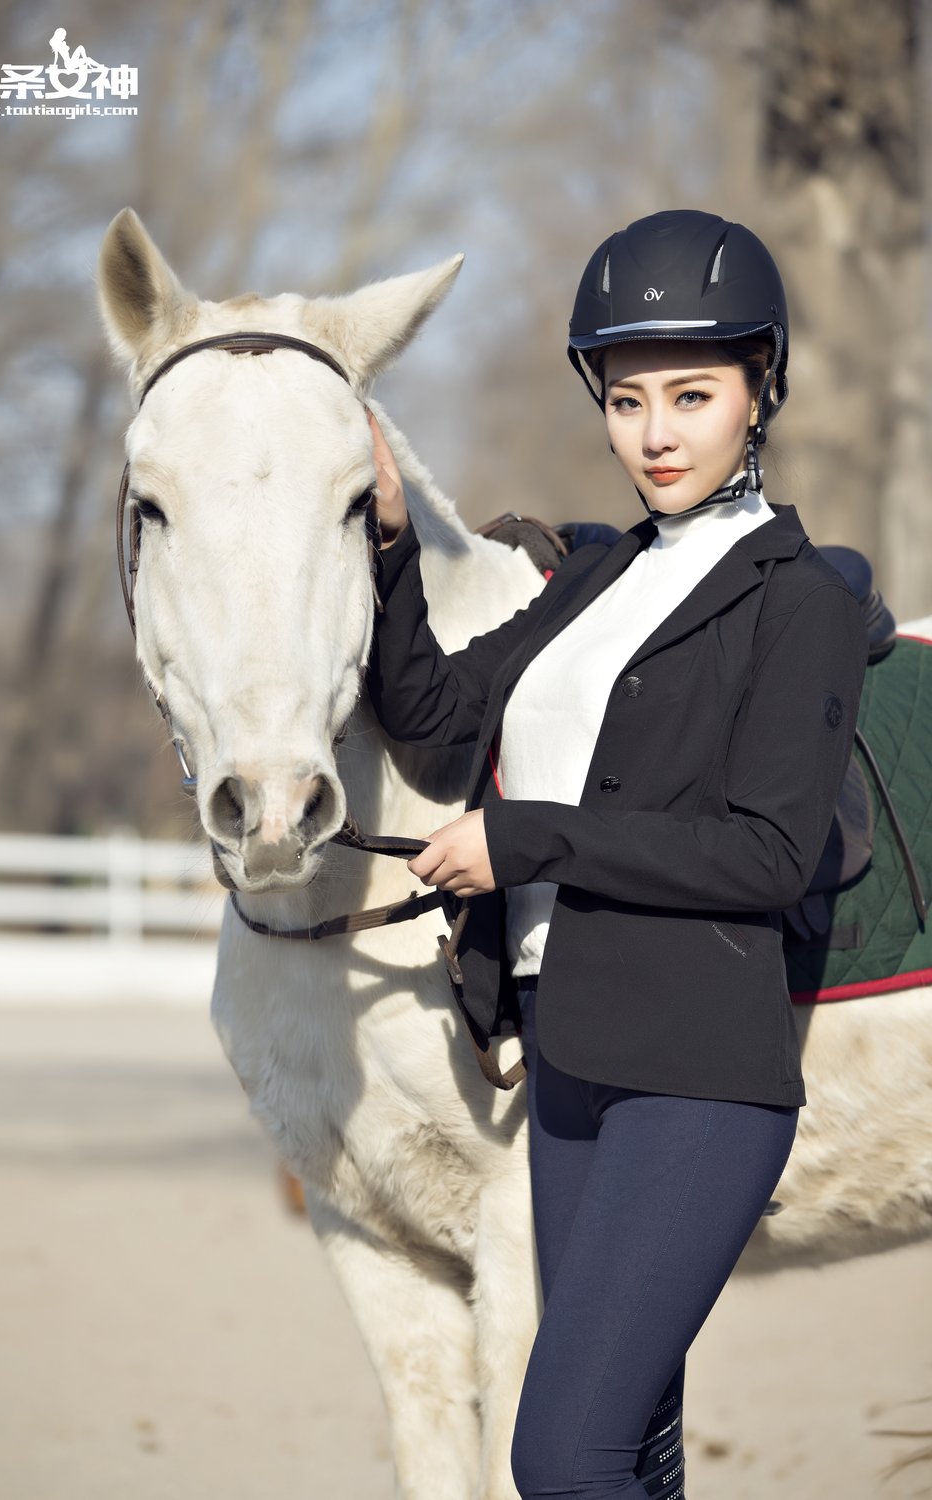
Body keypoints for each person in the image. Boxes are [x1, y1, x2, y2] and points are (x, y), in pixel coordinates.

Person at [364, 209, 869, 1499]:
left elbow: (764, 855)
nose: (656, 432)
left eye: (694, 396)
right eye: (629, 398)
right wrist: (385, 544)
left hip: (698, 1077)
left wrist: (523, 841)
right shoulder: (593, 582)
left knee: (561, 1456)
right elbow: (434, 722)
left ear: (760, 393)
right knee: (634, 1456)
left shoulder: (799, 600)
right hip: (576, 1065)